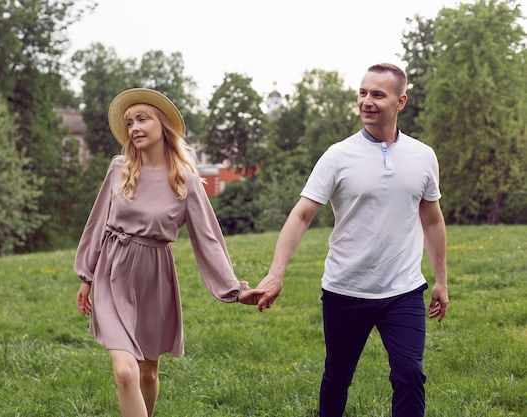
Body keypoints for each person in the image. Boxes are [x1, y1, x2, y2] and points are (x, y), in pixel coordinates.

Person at [256, 63, 449, 417]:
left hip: (403, 290)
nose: (366, 101)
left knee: (409, 376)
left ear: (400, 101)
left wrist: (441, 281)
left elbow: (433, 219)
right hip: (346, 290)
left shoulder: (423, 156)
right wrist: (276, 272)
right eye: (363, 93)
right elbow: (301, 215)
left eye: (378, 94)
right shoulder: (337, 156)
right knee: (337, 378)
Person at [74, 88, 263, 417]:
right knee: (125, 372)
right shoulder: (119, 169)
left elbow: (209, 240)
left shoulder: (185, 181)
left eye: (142, 119)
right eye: (129, 122)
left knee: (147, 373)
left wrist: (236, 291)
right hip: (112, 273)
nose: (134, 128)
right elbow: (97, 223)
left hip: (154, 278)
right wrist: (87, 276)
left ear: (163, 125)